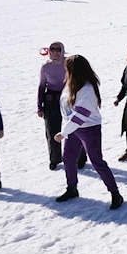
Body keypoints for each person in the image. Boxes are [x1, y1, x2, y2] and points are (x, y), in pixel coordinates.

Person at [54, 55, 124, 209]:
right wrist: (66, 129)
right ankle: (72, 188)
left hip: (88, 130)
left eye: (67, 68)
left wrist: (63, 133)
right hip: (73, 129)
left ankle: (115, 194)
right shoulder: (71, 84)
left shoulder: (87, 89)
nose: (65, 71)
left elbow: (80, 116)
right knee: (68, 159)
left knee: (97, 161)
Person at [38, 42, 85, 170]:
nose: (55, 52)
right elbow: (42, 86)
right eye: (52, 49)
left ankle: (80, 158)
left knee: (74, 128)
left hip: (68, 99)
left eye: (58, 49)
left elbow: (77, 80)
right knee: (52, 131)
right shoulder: (45, 67)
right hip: (51, 101)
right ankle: (55, 159)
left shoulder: (68, 63)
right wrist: (39, 106)